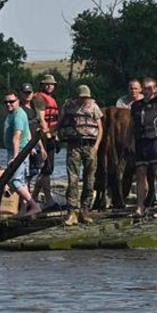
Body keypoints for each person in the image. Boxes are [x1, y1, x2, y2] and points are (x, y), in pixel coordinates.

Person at [58, 85, 104, 225]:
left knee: (89, 180)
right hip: (74, 145)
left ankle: (85, 210)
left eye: (86, 97)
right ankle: (72, 212)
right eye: (82, 97)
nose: (84, 99)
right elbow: (61, 123)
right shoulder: (68, 106)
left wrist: (96, 147)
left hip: (89, 146)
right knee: (73, 179)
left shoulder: (94, 107)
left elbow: (100, 128)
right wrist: (57, 135)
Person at [131, 73, 157, 220]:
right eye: (145, 88)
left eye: (149, 88)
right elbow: (132, 124)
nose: (147, 91)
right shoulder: (136, 105)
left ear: (154, 89)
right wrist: (129, 141)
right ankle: (140, 206)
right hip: (140, 141)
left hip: (155, 141)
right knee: (140, 173)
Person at [2, 92, 42, 218]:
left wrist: (14, 157)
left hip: (18, 152)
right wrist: (30, 146)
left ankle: (34, 206)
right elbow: (28, 131)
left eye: (11, 101)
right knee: (23, 183)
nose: (8, 104)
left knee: (14, 182)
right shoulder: (14, 113)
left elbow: (17, 136)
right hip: (21, 151)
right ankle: (24, 210)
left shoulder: (18, 115)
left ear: (18, 100)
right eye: (6, 102)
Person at [31, 74, 62, 209]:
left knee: (46, 170)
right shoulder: (39, 98)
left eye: (52, 84)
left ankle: (32, 199)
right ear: (42, 85)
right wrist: (49, 138)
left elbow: (54, 121)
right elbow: (41, 120)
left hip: (51, 135)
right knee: (46, 169)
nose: (49, 86)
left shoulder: (52, 100)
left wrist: (57, 138)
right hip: (43, 137)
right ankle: (48, 200)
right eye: (47, 84)